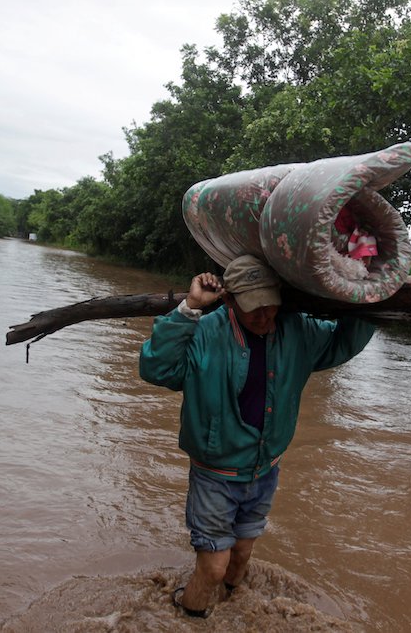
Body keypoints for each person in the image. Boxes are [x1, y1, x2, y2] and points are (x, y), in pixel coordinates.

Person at [139, 254, 375, 618]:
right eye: (253, 309)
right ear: (230, 300)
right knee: (214, 567)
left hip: (265, 471)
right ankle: (189, 617)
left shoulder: (297, 329)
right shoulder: (204, 331)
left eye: (270, 307)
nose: (264, 317)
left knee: (242, 557)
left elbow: (342, 343)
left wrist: (365, 294)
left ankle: (231, 610)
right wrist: (189, 308)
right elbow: (156, 368)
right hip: (215, 474)